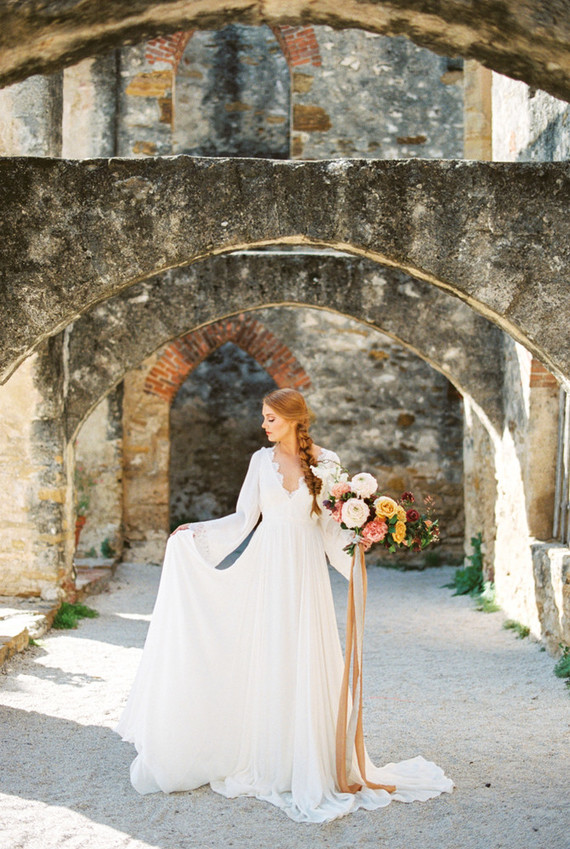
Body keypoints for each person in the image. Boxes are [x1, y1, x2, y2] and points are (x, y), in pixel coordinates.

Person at [115, 388, 453, 822]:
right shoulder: (260, 462)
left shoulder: (327, 463)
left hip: (307, 577)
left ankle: (309, 758)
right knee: (269, 656)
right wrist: (194, 536)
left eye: (270, 418)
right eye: (264, 418)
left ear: (293, 419)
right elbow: (243, 520)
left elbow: (333, 531)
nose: (264, 425)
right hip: (267, 571)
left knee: (306, 657)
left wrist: (357, 565)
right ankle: (270, 755)